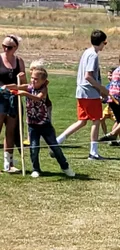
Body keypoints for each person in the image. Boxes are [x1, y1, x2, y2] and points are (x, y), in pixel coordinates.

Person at [5, 67, 75, 178]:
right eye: (32, 78)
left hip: (45, 125)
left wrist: (25, 94)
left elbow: (38, 98)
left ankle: (65, 166)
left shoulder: (43, 89)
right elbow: (16, 86)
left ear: (43, 81)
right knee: (34, 148)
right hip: (32, 125)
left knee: (54, 147)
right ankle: (36, 169)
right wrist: (6, 87)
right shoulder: (28, 87)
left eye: (36, 79)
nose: (33, 81)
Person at [54, 30, 109, 160]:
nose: (104, 46)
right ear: (101, 42)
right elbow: (88, 76)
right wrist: (102, 89)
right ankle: (93, 152)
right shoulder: (93, 55)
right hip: (89, 93)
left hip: (82, 92)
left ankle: (57, 141)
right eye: (105, 43)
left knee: (82, 121)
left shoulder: (86, 52)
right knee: (96, 120)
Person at [0, 34, 26, 172]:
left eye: (9, 47)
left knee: (10, 132)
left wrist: (19, 81)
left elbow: (25, 85)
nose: (5, 49)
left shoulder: (19, 61)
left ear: (15, 48)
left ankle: (8, 164)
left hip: (13, 100)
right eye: (3, 46)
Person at [100, 51, 120, 146]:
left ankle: (113, 138)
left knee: (118, 120)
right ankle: (112, 134)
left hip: (112, 97)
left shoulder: (115, 70)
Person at [100, 66, 116, 137]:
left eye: (111, 75)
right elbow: (105, 98)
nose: (109, 77)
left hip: (115, 108)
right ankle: (106, 135)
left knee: (118, 122)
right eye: (108, 75)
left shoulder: (117, 86)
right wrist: (102, 99)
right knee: (101, 119)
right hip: (108, 107)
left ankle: (118, 138)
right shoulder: (107, 86)